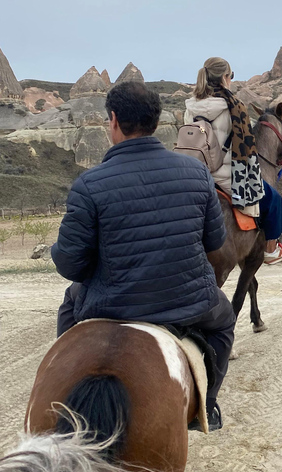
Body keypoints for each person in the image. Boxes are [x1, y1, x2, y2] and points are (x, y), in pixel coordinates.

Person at [52, 82, 234, 431]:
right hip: (189, 301)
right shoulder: (196, 173)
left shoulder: (89, 184)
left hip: (113, 306)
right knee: (224, 320)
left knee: (69, 303)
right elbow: (215, 241)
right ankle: (207, 405)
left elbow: (70, 264)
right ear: (155, 121)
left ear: (114, 121)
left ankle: (65, 393)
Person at [184, 57, 282, 264]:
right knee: (273, 198)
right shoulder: (234, 107)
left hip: (193, 174)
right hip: (223, 177)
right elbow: (246, 151)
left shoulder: (190, 106)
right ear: (225, 78)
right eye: (231, 76)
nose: (231, 80)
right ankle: (271, 249)